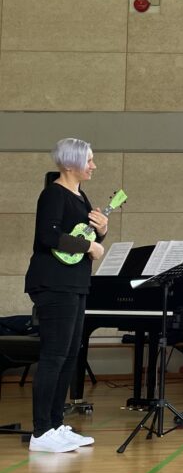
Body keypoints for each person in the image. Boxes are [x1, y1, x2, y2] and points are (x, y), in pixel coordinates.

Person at [25, 138, 107, 453]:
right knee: (54, 356)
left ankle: (55, 424)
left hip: (75, 283)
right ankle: (41, 431)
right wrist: (91, 246)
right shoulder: (53, 194)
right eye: (89, 160)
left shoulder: (81, 196)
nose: (93, 165)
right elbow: (48, 236)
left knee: (70, 355)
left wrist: (101, 231)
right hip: (53, 283)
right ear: (71, 163)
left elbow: (82, 237)